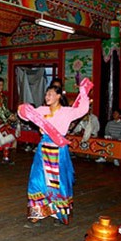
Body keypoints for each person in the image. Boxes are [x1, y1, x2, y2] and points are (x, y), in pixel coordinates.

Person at [18, 78, 92, 228]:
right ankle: (37, 213)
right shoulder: (42, 110)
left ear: (58, 96)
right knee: (36, 180)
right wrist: (23, 109)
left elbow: (82, 110)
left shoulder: (66, 112)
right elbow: (24, 115)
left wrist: (83, 93)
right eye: (46, 94)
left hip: (58, 152)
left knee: (59, 183)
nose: (47, 96)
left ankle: (60, 214)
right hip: (43, 150)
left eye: (50, 94)